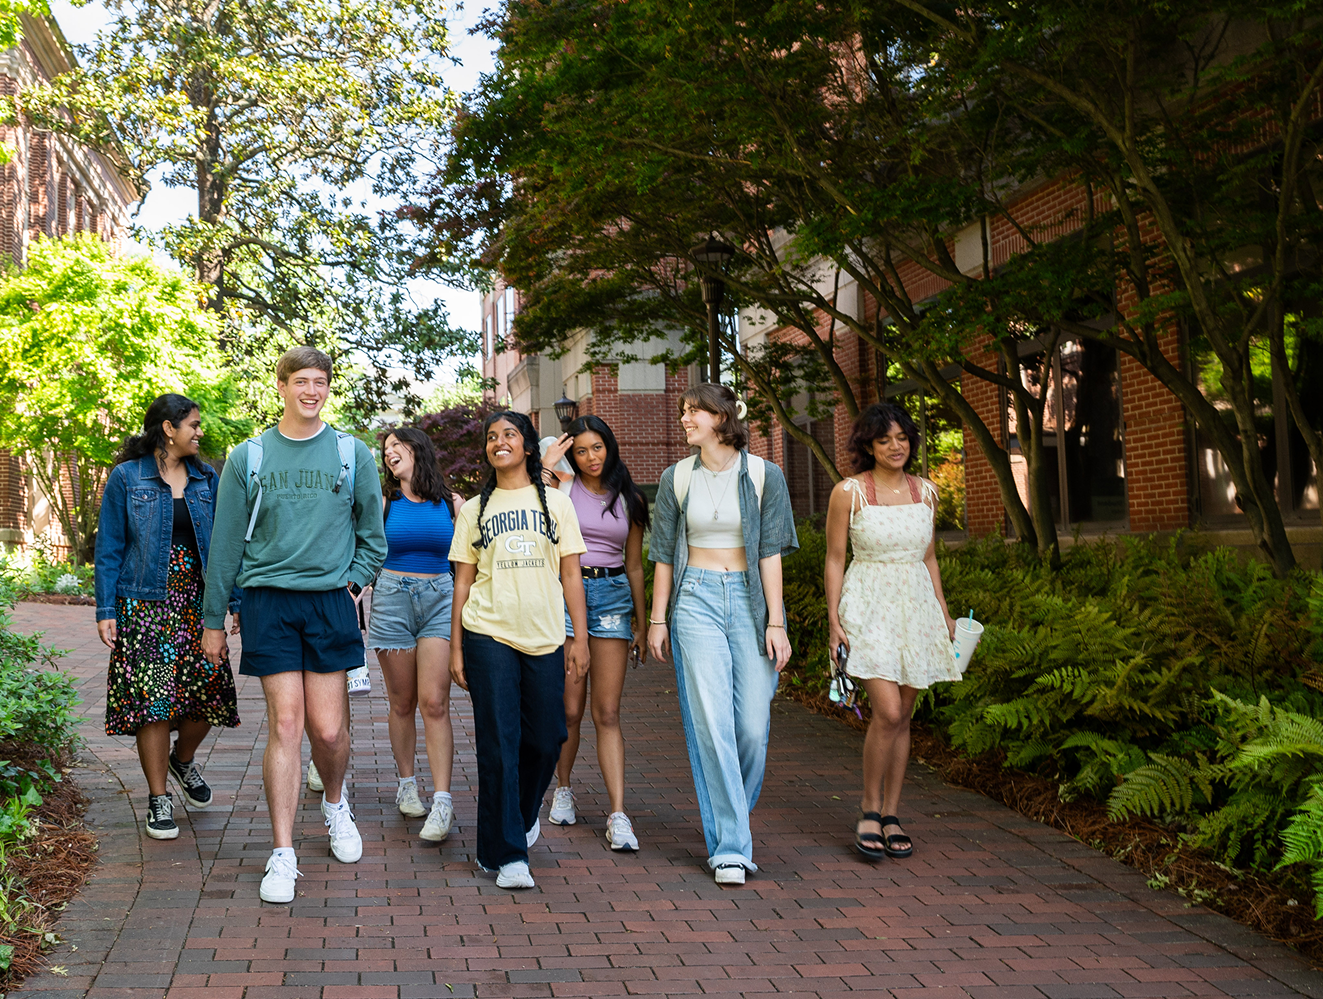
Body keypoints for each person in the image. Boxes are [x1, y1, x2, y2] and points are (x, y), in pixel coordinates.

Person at [201, 347, 386, 904]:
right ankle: (282, 852)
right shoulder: (249, 456)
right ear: (281, 386)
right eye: (301, 381)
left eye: (320, 382)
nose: (312, 391)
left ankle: (335, 803)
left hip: (329, 603)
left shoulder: (352, 453)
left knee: (328, 731)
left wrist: (352, 583)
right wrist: (214, 620)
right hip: (269, 603)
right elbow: (225, 544)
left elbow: (373, 537)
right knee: (286, 724)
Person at [646, 384, 798, 885]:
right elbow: (663, 554)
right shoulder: (676, 478)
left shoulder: (764, 475)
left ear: (722, 417)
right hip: (696, 599)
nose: (685, 419)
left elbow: (770, 552)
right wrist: (658, 618)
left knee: (751, 726)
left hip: (751, 603)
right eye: (684, 411)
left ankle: (730, 814)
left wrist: (776, 621)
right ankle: (731, 847)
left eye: (695, 411)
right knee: (713, 723)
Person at [448, 411, 589, 890]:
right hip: (487, 633)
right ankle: (510, 855)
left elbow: (571, 575)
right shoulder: (473, 509)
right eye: (491, 437)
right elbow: (462, 582)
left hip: (545, 635)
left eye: (508, 434)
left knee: (548, 738)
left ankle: (519, 817)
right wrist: (456, 647)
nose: (498, 442)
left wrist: (580, 639)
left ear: (528, 446)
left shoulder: (558, 504)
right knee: (499, 743)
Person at [94, 394, 241, 841]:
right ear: (168, 429)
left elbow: (224, 545)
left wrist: (233, 601)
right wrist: (106, 609)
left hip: (197, 605)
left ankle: (183, 760)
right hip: (144, 607)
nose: (200, 432)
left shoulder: (206, 478)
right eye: (193, 425)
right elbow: (110, 547)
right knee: (153, 703)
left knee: (209, 696)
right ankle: (158, 797)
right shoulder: (127, 477)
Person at [824, 402, 959, 861]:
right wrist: (834, 621)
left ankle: (892, 813)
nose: (895, 446)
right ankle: (868, 807)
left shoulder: (928, 492)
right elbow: (835, 559)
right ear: (868, 445)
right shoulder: (849, 493)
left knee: (904, 715)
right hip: (867, 607)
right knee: (887, 711)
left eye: (902, 438)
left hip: (917, 610)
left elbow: (929, 557)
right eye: (884, 440)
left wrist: (944, 614)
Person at [539, 415, 649, 849]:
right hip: (568, 596)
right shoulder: (561, 490)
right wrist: (549, 464)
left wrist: (642, 623)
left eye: (597, 447)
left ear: (610, 446)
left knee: (607, 712)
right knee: (569, 710)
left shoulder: (630, 498)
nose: (590, 457)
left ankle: (618, 814)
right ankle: (563, 788)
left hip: (614, 597)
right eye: (581, 451)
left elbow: (635, 565)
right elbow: (529, 503)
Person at [369, 427, 463, 842]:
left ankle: (442, 801)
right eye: (386, 449)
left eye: (396, 445)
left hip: (441, 600)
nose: (389, 452)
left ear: (418, 449)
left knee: (435, 702)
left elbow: (469, 560)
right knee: (402, 702)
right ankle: (407, 784)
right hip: (392, 601)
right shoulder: (384, 503)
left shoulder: (453, 503)